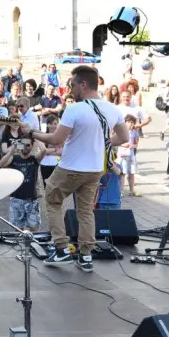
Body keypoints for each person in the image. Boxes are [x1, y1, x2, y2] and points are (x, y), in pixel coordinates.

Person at [23, 65, 128, 272]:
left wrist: (32, 133)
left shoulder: (75, 109)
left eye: (72, 85)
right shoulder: (113, 110)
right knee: (86, 211)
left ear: (83, 84)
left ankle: (61, 250)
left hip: (71, 167)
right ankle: (86, 256)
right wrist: (104, 143)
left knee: (52, 199)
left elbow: (55, 139)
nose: (70, 89)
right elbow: (124, 137)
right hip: (95, 169)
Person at [0, 137, 45, 232]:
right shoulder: (14, 158)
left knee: (34, 228)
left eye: (28, 145)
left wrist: (34, 137)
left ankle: (32, 245)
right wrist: (11, 152)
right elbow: (0, 164)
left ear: (32, 146)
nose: (25, 147)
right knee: (17, 229)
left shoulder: (34, 159)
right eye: (23, 144)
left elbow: (44, 150)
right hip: (16, 198)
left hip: (32, 199)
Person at [117, 114, 141, 196]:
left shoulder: (135, 133)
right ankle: (121, 191)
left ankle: (132, 190)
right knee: (122, 172)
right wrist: (123, 145)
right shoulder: (121, 132)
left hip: (130, 154)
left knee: (131, 172)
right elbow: (115, 142)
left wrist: (132, 146)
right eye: (128, 122)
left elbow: (136, 144)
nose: (130, 124)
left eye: (132, 122)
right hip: (122, 154)